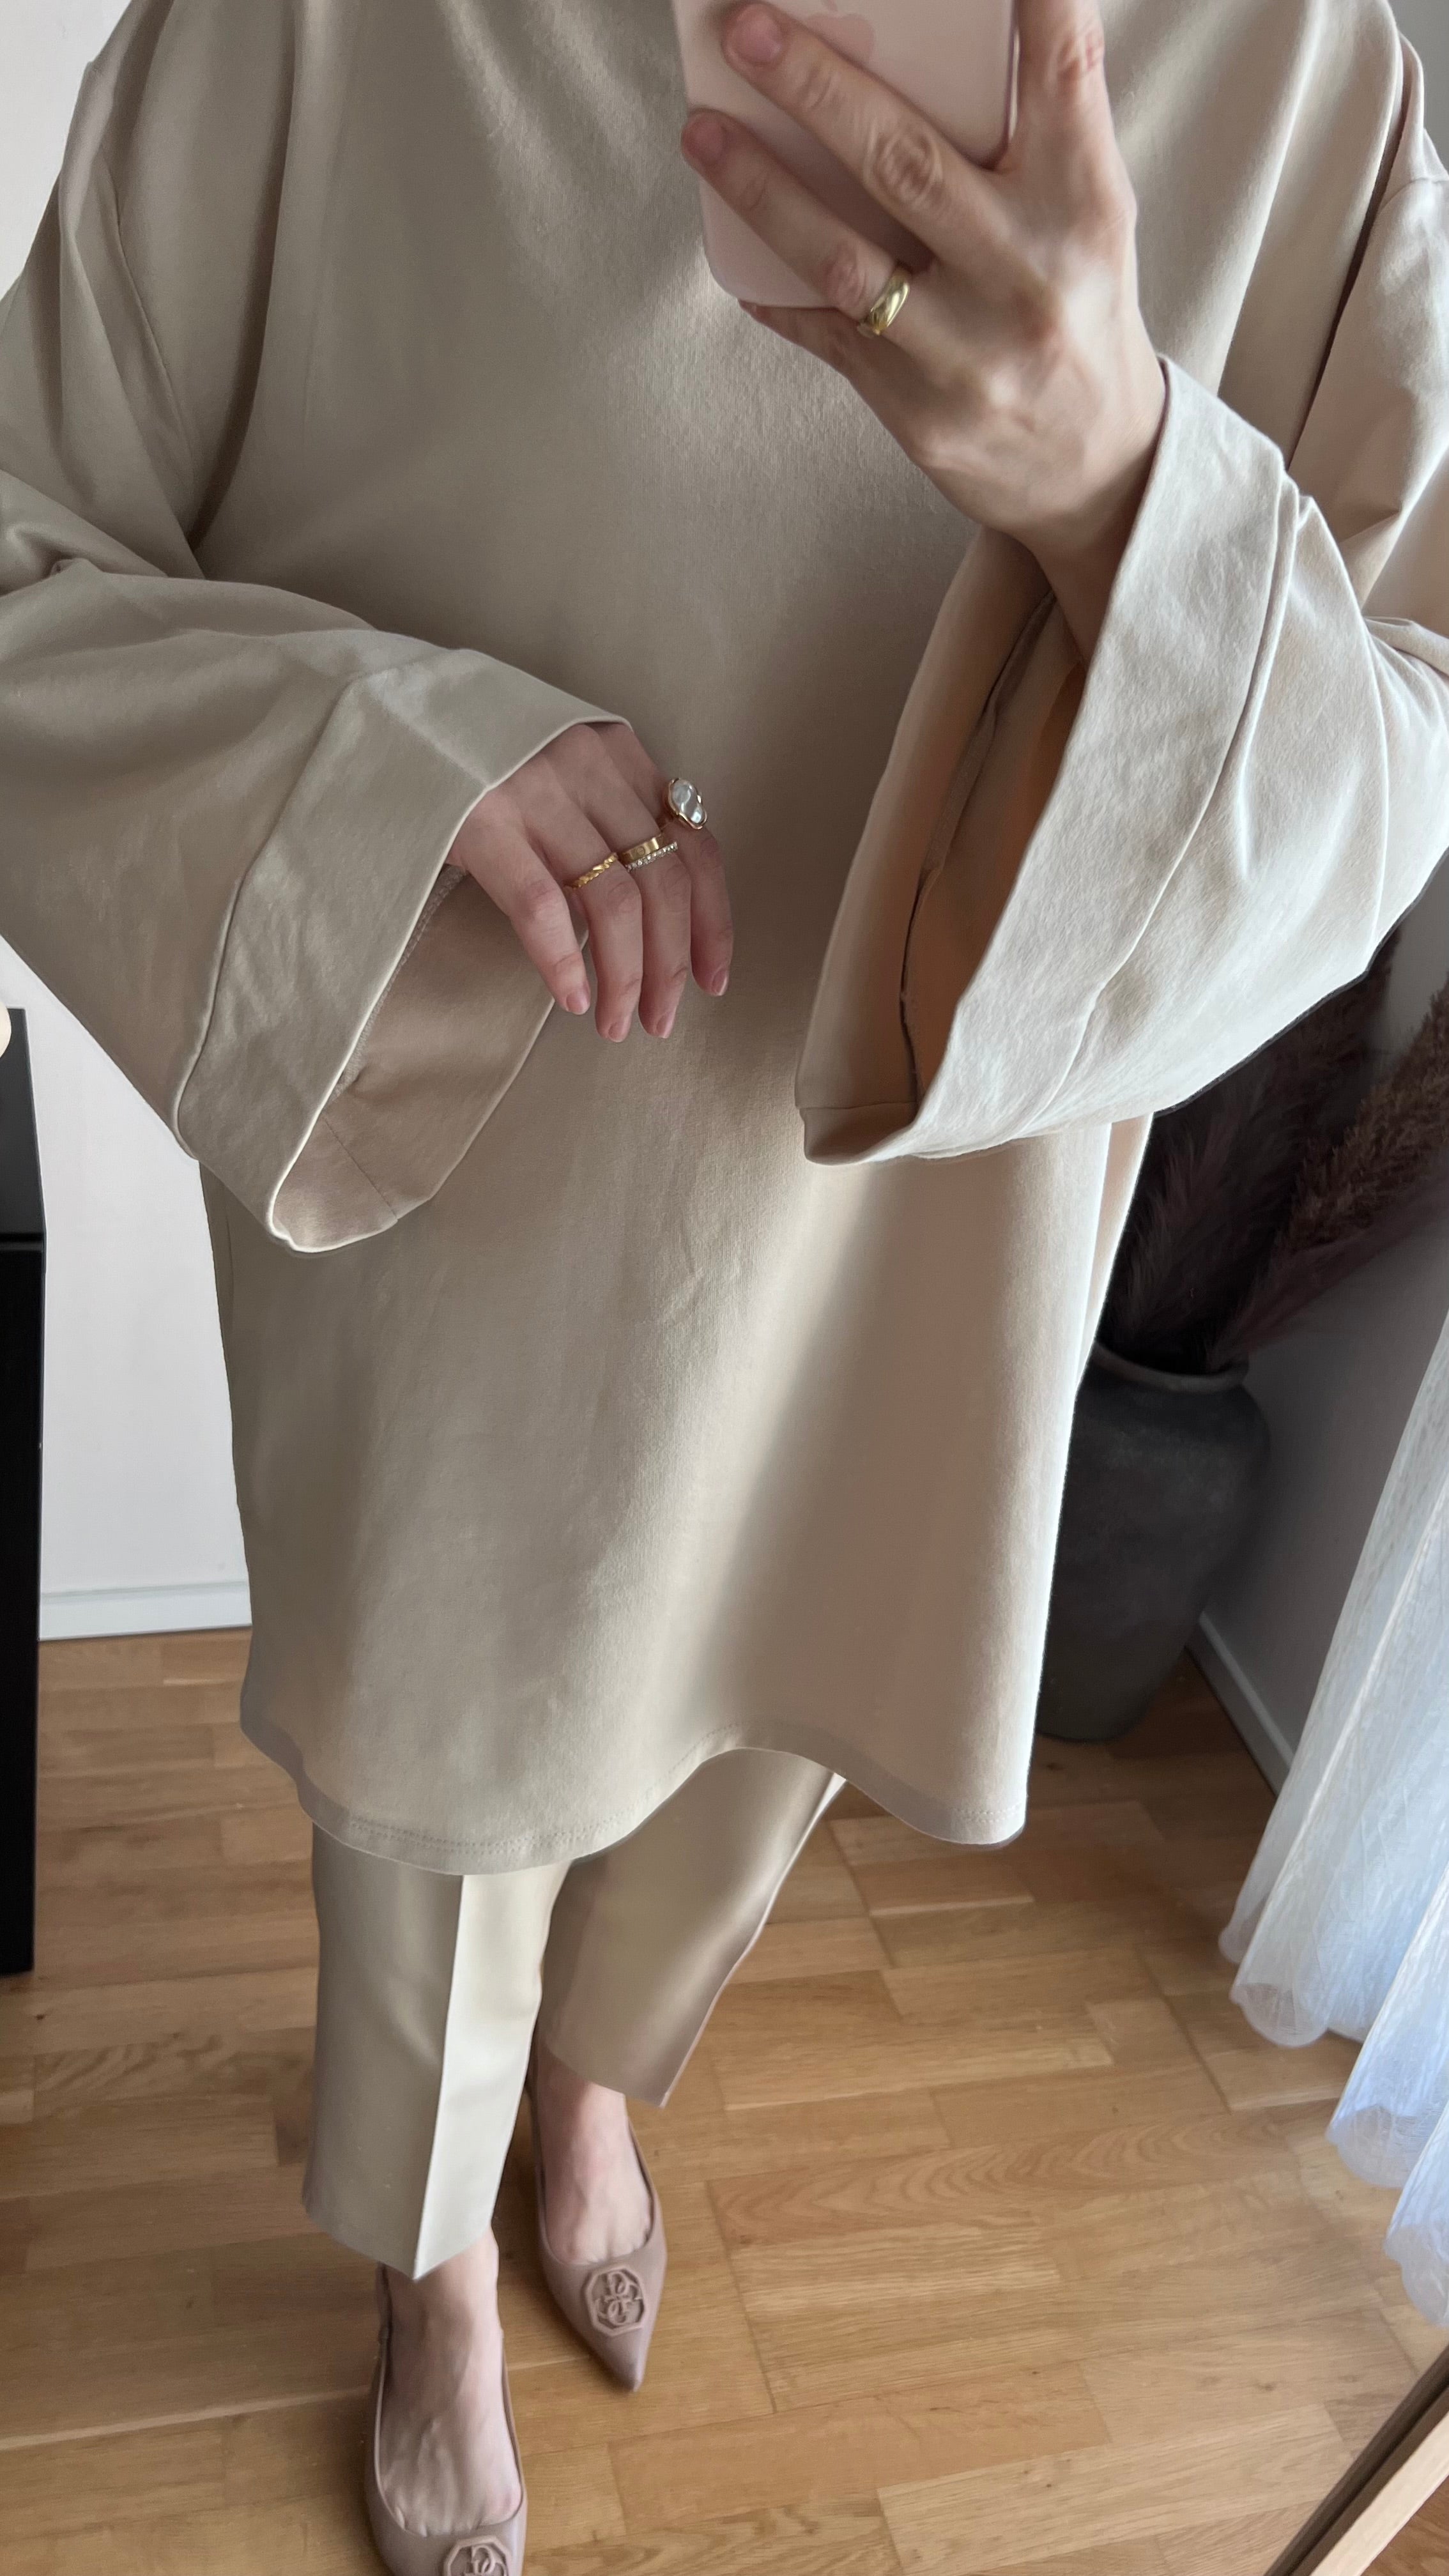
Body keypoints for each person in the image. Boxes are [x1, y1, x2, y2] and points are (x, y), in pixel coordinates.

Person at [1, 0, 1446, 2565]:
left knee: (769, 1702)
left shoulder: (1294, 65)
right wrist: (380, 758)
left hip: (915, 1198)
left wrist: (1132, 492)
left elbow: (1396, 733)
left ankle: (590, 2098)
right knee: (446, 1759)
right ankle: (429, 2272)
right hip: (476, 1160)